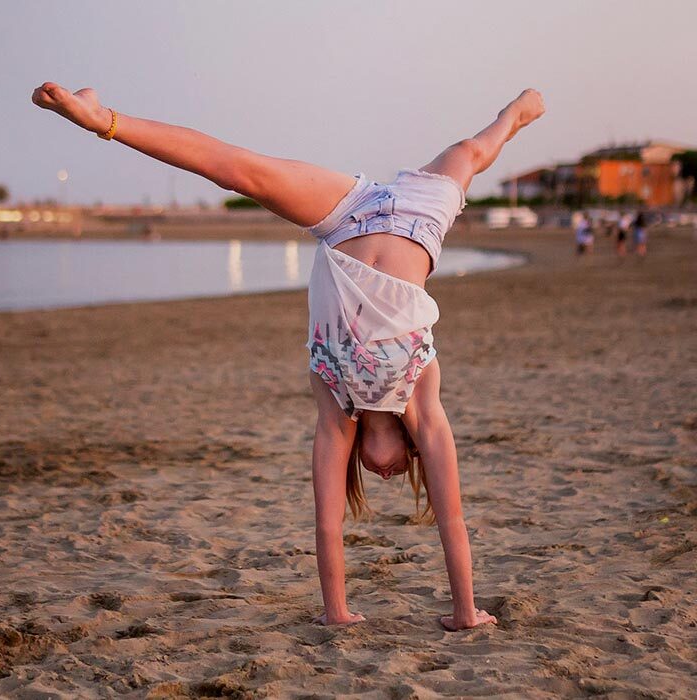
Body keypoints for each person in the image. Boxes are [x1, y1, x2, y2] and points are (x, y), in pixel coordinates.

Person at [31, 82, 545, 629]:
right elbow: (453, 515)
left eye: (378, 478)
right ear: (411, 452)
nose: (390, 477)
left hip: (347, 217)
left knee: (239, 171)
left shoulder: (335, 404)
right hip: (421, 218)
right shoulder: (423, 397)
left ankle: (100, 118)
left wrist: (338, 613)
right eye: (402, 472)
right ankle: (516, 113)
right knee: (474, 151)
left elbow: (327, 524)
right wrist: (467, 613)